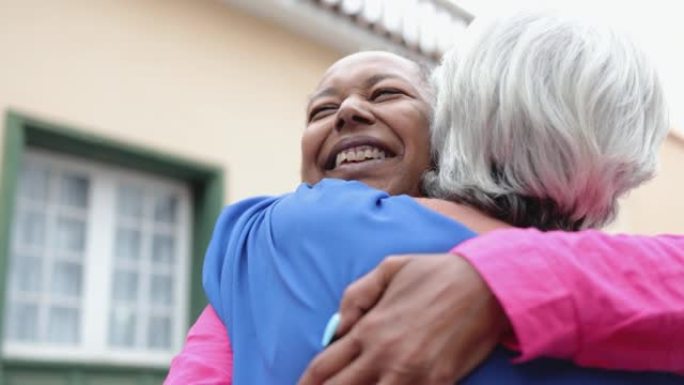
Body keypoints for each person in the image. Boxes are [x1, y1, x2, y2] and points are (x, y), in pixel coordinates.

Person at [165, 14, 683, 385]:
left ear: (449, 130)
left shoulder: (272, 234)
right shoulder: (263, 250)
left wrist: (501, 280)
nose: (346, 111)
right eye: (319, 110)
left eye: (387, 93)